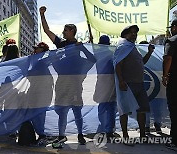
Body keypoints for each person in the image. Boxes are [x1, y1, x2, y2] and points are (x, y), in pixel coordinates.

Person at [39, 6, 87, 145]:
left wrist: (82, 47)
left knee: (77, 109)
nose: (63, 32)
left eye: (65, 30)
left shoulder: (78, 45)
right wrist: (42, 15)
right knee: (62, 110)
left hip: (75, 83)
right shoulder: (62, 44)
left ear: (72, 31)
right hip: (62, 82)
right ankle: (61, 135)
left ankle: (80, 135)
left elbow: (92, 59)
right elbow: (47, 31)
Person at [113, 25, 154, 143]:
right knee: (125, 110)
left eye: (135, 33)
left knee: (142, 109)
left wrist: (150, 52)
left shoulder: (132, 48)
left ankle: (142, 135)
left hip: (139, 84)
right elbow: (118, 65)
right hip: (127, 85)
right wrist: (121, 81)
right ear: (125, 35)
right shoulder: (122, 47)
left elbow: (142, 62)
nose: (134, 35)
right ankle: (125, 136)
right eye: (132, 33)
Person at [94, 35, 118, 141]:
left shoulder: (98, 53)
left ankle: (104, 128)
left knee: (103, 106)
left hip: (103, 82)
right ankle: (109, 130)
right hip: (111, 82)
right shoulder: (112, 53)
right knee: (111, 107)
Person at [29, 42, 52, 146]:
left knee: (38, 114)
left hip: (41, 92)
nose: (35, 50)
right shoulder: (40, 61)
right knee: (37, 114)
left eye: (37, 49)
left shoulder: (41, 62)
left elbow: (32, 75)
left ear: (42, 50)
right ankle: (42, 135)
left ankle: (42, 135)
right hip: (39, 91)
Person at [139, 41, 162, 134]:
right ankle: (157, 126)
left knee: (145, 108)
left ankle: (146, 126)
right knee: (156, 108)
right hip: (156, 88)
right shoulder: (156, 58)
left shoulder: (140, 58)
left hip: (145, 89)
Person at [162, 19, 177, 150]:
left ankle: (175, 141)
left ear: (175, 27)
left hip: (175, 81)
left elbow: (168, 58)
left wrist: (165, 75)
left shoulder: (171, 41)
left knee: (175, 110)